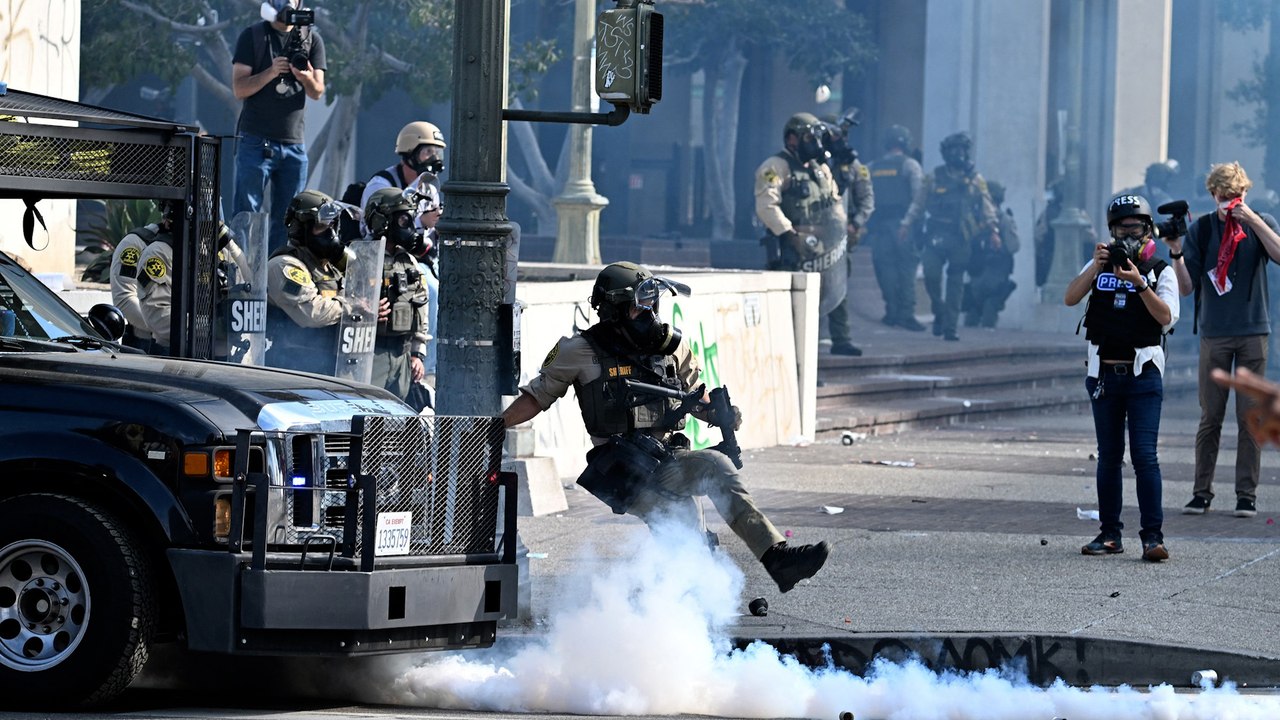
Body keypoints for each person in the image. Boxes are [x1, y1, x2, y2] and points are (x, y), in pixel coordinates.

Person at [501, 261, 831, 593]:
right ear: (615, 309)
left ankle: (775, 559)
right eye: (639, 306)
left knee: (705, 505)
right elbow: (536, 397)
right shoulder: (580, 351)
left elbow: (697, 399)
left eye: (652, 304)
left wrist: (721, 415)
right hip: (624, 471)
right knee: (689, 540)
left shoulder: (671, 348)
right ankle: (648, 602)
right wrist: (495, 427)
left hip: (669, 460)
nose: (649, 313)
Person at [1064, 194, 1179, 562]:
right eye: (1120, 230)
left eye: (1135, 229)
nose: (1127, 236)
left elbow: (1166, 317)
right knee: (1109, 457)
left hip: (1143, 377)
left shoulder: (1160, 270)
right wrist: (1095, 268)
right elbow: (1070, 298)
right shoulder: (1100, 265)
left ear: (1148, 232)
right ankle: (1110, 533)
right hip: (1103, 376)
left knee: (1145, 457)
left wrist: (1140, 283)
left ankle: (1153, 538)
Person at [1169, 162, 1280, 519]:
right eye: (1225, 196)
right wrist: (1176, 253)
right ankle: (1201, 493)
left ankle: (1246, 495)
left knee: (1250, 416)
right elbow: (1186, 287)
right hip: (1215, 332)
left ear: (1245, 193)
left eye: (1237, 195)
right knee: (1210, 416)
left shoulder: (1261, 223)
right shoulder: (1202, 229)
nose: (1231, 202)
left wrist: (1254, 221)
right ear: (1213, 194)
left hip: (1253, 330)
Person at [754, 113, 857, 355]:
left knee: (834, 287)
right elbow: (767, 205)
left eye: (818, 138)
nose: (817, 143)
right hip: (792, 245)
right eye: (810, 138)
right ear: (792, 139)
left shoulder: (821, 169)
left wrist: (844, 229)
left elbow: (834, 202)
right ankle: (790, 354)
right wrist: (789, 234)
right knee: (793, 304)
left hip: (823, 244)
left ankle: (840, 340)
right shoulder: (775, 166)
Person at [231, 0, 327, 253]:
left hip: (293, 144)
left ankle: (276, 270)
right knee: (246, 214)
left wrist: (305, 77)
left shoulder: (312, 39)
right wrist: (271, 72)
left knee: (288, 220)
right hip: (255, 141)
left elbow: (318, 91)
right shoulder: (253, 36)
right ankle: (240, 273)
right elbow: (239, 88)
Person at [900, 131, 999, 342]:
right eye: (954, 150)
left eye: (962, 150)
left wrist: (994, 231)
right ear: (946, 152)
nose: (958, 154)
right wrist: (906, 224)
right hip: (935, 234)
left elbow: (987, 206)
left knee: (955, 283)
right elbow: (918, 203)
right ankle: (939, 310)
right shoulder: (934, 177)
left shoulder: (975, 179)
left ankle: (950, 327)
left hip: (960, 237)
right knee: (931, 275)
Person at [137, 214, 251, 358]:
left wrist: (229, 243)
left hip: (223, 358)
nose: (218, 222)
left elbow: (252, 286)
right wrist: (213, 327)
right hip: (178, 357)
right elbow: (159, 317)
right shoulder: (160, 252)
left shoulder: (217, 249)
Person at [264, 190, 351, 374]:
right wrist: (353, 307)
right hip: (292, 370)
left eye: (333, 225)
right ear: (300, 228)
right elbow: (312, 313)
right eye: (322, 226)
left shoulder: (331, 267)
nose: (331, 233)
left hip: (330, 368)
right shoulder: (285, 266)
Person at [363, 187, 430, 405]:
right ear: (382, 221)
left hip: (402, 355)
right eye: (403, 220)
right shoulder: (361, 257)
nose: (409, 227)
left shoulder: (409, 261)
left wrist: (417, 354)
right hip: (371, 354)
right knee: (367, 411)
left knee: (399, 417)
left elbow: (421, 306)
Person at [821, 111, 875, 356]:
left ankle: (840, 338)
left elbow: (866, 199)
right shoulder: (809, 161)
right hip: (809, 232)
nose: (839, 139)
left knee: (837, 284)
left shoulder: (852, 164)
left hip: (840, 233)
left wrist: (856, 223)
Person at [868, 124, 926, 331]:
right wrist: (911, 223)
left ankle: (891, 311)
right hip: (903, 226)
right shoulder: (910, 165)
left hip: (879, 227)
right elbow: (919, 197)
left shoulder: (872, 167)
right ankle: (906, 315)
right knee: (906, 271)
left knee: (885, 270)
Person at [358, 121, 447, 236]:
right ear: (410, 153)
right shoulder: (380, 186)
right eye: (428, 151)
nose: (435, 159)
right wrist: (421, 222)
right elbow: (375, 229)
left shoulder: (429, 189)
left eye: (438, 153)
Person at [110, 201, 176, 353]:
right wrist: (163, 326)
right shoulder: (137, 244)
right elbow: (125, 299)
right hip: (145, 343)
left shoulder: (203, 247)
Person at [963, 180, 1019, 328]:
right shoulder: (1002, 220)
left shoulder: (978, 219)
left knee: (978, 312)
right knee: (984, 312)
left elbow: (1013, 246)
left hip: (983, 274)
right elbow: (1013, 246)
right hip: (988, 274)